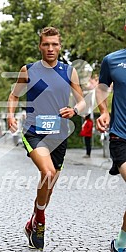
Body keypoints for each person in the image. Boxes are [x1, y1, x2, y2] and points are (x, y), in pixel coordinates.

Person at [7, 27, 85, 250]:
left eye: (54, 44)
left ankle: (33, 220)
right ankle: (40, 221)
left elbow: (81, 101)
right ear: (40, 46)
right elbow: (14, 95)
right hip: (34, 130)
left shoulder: (69, 72)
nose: (50, 48)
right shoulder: (29, 70)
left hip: (59, 135)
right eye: (46, 44)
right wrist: (10, 115)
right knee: (47, 172)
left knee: (48, 187)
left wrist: (74, 110)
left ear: (60, 46)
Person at [96, 23, 126, 252]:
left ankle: (121, 242)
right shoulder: (112, 60)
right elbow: (102, 87)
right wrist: (104, 111)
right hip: (121, 136)